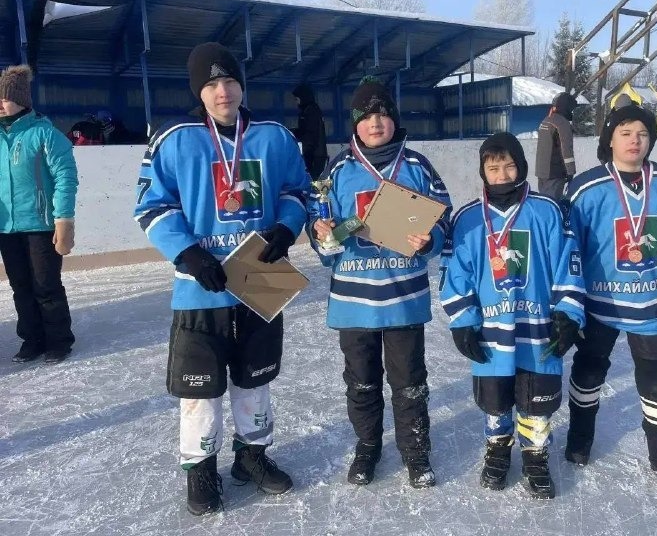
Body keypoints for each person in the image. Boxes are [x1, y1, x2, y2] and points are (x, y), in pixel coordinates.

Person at [133, 42, 310, 515]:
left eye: (229, 80)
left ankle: (252, 456)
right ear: (199, 90)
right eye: (211, 84)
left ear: (241, 84)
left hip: (260, 281)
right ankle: (200, 468)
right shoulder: (174, 138)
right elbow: (151, 205)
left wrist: (286, 227)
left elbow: (297, 191)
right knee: (200, 390)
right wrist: (189, 254)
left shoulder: (274, 137)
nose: (222, 91)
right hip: (200, 288)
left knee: (256, 380)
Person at [307, 77, 451, 489]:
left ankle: (415, 451)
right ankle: (368, 446)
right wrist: (322, 235)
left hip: (403, 298)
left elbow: (444, 218)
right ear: (355, 123)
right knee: (362, 382)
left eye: (384, 114)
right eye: (367, 116)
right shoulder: (337, 170)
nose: (376, 122)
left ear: (395, 120)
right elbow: (318, 225)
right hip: (354, 302)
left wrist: (430, 239)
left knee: (409, 383)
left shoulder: (418, 166)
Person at [439, 132, 585, 499]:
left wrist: (568, 314)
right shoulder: (468, 218)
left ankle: (535, 455)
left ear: (521, 166)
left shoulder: (547, 211)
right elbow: (454, 273)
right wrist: (463, 322)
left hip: (538, 329)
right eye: (493, 168)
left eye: (509, 166)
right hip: (492, 332)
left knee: (536, 399)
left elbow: (568, 264)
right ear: (483, 172)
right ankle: (498, 448)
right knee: (496, 399)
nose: (502, 174)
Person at [563, 99, 657, 489]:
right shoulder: (586, 188)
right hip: (599, 304)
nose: (635, 140)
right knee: (588, 372)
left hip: (651, 304)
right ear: (610, 139)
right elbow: (568, 247)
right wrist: (568, 300)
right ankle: (579, 438)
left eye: (642, 134)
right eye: (625, 133)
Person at [0, 64, 78, 364]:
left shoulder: (45, 134)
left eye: (5, 97)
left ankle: (58, 341)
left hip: (41, 225)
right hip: (6, 228)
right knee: (20, 287)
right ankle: (32, 340)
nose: (0, 103)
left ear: (21, 99)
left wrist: (64, 219)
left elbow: (65, 177)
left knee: (46, 286)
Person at [535, 91, 578, 200]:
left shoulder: (547, 120)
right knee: (552, 203)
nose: (573, 112)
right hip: (555, 172)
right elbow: (566, 149)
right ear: (567, 107)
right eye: (572, 109)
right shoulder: (562, 123)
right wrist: (570, 171)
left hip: (542, 171)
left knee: (544, 200)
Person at [291, 83, 328, 180]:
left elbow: (311, 134)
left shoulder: (311, 111)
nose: (296, 102)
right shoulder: (308, 110)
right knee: (312, 178)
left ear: (303, 97)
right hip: (315, 153)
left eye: (297, 99)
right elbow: (305, 131)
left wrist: (307, 152)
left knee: (313, 179)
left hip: (315, 154)